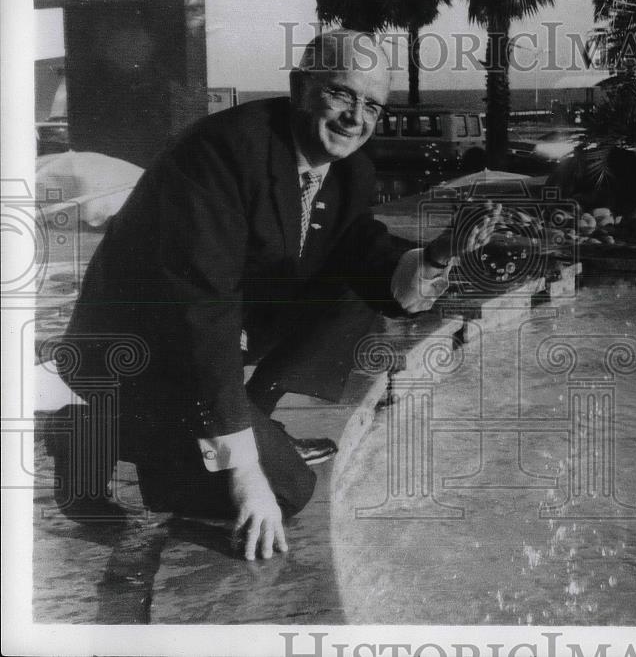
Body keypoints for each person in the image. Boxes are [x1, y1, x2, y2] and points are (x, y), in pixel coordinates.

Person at [58, 30, 496, 560]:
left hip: (212, 335)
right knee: (287, 489)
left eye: (373, 106)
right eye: (342, 94)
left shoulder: (349, 168)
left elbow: (362, 251)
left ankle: (243, 419)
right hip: (137, 351)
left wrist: (438, 254)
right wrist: (245, 471)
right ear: (299, 88)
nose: (356, 118)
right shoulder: (223, 152)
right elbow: (201, 309)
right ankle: (90, 431)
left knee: (358, 287)